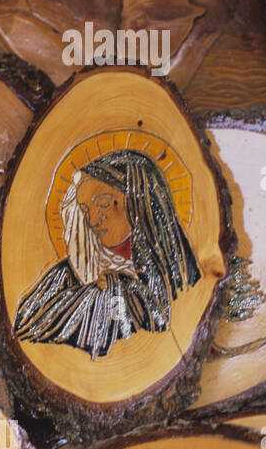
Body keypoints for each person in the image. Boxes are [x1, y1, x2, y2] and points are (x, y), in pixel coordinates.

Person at [13, 148, 201, 358]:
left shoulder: (178, 273)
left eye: (103, 203)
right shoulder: (65, 277)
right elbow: (26, 331)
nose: (93, 221)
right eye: (85, 210)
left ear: (138, 201)